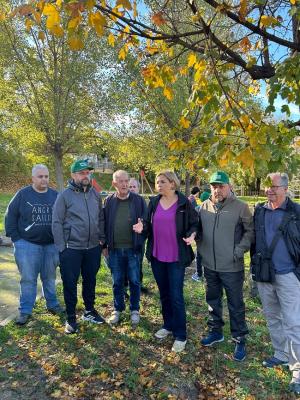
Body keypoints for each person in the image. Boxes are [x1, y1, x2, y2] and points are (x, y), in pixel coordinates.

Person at [135, 170, 198, 353]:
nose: (158, 184)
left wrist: (192, 234)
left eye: (162, 181)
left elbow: (195, 223)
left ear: (172, 183)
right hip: (157, 255)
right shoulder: (154, 202)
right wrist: (142, 227)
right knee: (164, 293)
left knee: (176, 295)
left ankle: (180, 334)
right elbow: (147, 223)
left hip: (176, 257)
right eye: (156, 182)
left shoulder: (184, 203)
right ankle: (168, 324)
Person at [251, 172, 300, 395]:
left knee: (293, 323)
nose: (268, 190)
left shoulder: (296, 212)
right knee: (272, 317)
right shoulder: (259, 210)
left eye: (273, 187)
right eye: (266, 187)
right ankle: (280, 354)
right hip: (264, 274)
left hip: (289, 275)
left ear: (285, 188)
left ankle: (297, 370)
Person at [198, 171, 253, 361]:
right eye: (214, 186)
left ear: (229, 186)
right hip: (210, 265)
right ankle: (216, 331)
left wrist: (238, 251)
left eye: (221, 186)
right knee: (212, 300)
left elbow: (250, 232)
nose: (217, 190)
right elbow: (197, 230)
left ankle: (239, 338)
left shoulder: (241, 207)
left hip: (232, 266)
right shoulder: (203, 207)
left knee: (235, 304)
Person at [52, 159, 105, 334]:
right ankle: (71, 318)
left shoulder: (95, 195)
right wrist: (62, 247)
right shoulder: (64, 196)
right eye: (82, 173)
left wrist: (101, 239)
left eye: (87, 172)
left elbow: (101, 218)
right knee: (70, 283)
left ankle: (89, 310)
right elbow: (56, 222)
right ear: (73, 175)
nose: (86, 176)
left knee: (90, 280)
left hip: (92, 248)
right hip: (71, 248)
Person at [5, 164, 62, 325]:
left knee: (49, 278)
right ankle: (25, 310)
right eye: (40, 176)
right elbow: (10, 216)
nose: (44, 179)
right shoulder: (23, 194)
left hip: (51, 245)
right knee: (28, 279)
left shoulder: (55, 195)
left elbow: (63, 218)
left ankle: (52, 304)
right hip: (27, 245)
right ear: (33, 178)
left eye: (46, 176)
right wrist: (16, 238)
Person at [104, 170, 147, 326]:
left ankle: (134, 309)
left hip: (133, 249)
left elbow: (147, 221)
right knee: (117, 281)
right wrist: (104, 245)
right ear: (114, 183)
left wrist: (142, 227)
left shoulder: (138, 200)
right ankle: (118, 308)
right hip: (114, 249)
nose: (124, 184)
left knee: (135, 281)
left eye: (126, 181)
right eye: (120, 181)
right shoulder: (109, 201)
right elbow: (104, 224)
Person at [128, 177, 148, 294]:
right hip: (125, 239)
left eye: (134, 186)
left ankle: (138, 285)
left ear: (138, 188)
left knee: (138, 262)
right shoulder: (122, 199)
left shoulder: (141, 201)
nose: (131, 189)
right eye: (130, 186)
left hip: (139, 239)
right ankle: (125, 287)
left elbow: (146, 218)